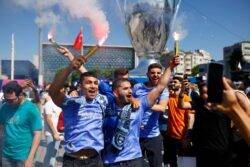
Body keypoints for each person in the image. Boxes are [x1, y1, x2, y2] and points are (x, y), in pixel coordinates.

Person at [102, 57, 179, 167]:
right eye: (125, 89)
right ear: (147, 74)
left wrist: (170, 67)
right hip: (114, 158)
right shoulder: (106, 107)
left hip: (147, 141)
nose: (129, 91)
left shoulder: (142, 104)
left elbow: (161, 89)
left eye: (130, 88)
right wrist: (133, 100)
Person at [49, 55, 108, 167]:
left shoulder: (102, 101)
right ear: (80, 87)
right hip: (72, 161)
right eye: (89, 83)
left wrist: (133, 98)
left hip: (95, 160)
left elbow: (120, 93)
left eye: (95, 83)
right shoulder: (70, 103)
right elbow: (53, 91)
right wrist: (71, 67)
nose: (93, 86)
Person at [178, 81, 233, 167]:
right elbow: (181, 105)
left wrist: (232, 131)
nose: (205, 96)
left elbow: (236, 120)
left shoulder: (224, 103)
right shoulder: (198, 102)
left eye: (207, 93)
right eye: (202, 93)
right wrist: (182, 91)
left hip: (221, 147)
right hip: (202, 147)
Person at [132, 63, 169, 167]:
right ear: (147, 74)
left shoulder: (163, 90)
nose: (155, 75)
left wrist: (143, 103)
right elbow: (129, 99)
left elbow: (162, 108)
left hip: (153, 136)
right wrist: (134, 100)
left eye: (158, 73)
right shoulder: (137, 87)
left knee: (156, 165)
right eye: (152, 73)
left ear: (161, 75)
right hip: (136, 134)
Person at [0, 81, 42, 167]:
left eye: (11, 100)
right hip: (6, 155)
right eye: (6, 99)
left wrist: (30, 158)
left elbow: (38, 134)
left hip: (23, 157)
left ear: (20, 96)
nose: (8, 102)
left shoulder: (31, 109)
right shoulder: (5, 107)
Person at [165, 77, 194, 167]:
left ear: (181, 84)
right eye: (172, 82)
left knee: (184, 162)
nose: (173, 83)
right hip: (170, 136)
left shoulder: (186, 98)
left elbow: (191, 118)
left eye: (175, 82)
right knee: (172, 162)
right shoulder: (168, 98)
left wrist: (187, 137)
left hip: (183, 136)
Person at [213, 78, 250, 145]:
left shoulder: (237, 94)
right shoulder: (225, 96)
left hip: (241, 135)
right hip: (236, 135)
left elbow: (248, 111)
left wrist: (234, 127)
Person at [42, 91, 63, 167]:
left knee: (54, 153)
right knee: (49, 153)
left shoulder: (58, 104)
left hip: (59, 132)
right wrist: (54, 133)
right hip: (51, 133)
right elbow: (48, 119)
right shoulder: (48, 104)